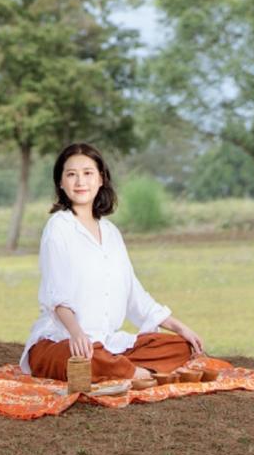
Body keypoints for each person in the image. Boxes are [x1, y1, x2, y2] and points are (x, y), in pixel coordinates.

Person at [20, 142, 204, 382]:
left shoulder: (111, 233)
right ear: (61, 183)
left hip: (107, 343)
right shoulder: (59, 227)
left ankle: (120, 369)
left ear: (101, 179)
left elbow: (135, 295)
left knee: (179, 346)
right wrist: (76, 334)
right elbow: (57, 294)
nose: (80, 182)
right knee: (87, 357)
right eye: (71, 175)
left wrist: (180, 328)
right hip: (62, 341)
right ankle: (136, 373)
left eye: (88, 173)